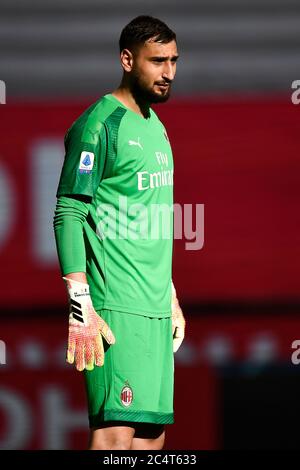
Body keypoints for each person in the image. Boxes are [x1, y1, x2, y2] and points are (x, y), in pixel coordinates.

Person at [53, 15, 186, 451]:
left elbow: (149, 218)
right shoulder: (99, 125)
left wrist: (169, 295)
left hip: (154, 312)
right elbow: (69, 211)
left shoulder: (155, 126)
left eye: (173, 61)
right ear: (127, 60)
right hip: (114, 312)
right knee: (114, 440)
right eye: (157, 61)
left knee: (150, 440)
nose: (168, 72)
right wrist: (80, 305)